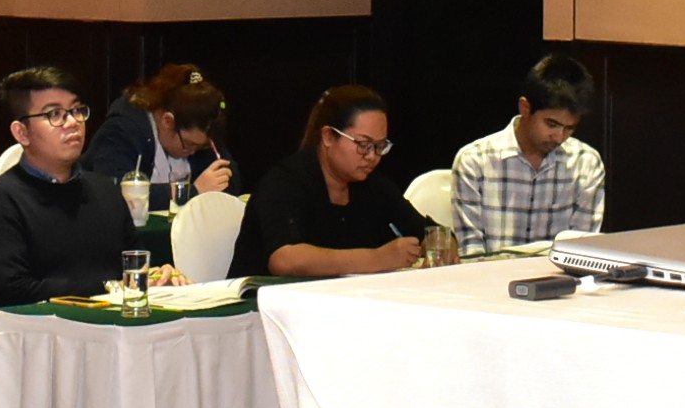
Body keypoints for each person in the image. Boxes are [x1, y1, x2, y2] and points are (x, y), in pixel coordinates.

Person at [0, 66, 166, 306]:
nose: (72, 122)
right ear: (22, 133)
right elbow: (9, 290)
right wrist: (107, 287)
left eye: (76, 110)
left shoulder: (105, 190)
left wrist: (155, 276)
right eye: (55, 114)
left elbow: (133, 264)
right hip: (44, 326)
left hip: (115, 321)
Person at [233, 85, 431, 279]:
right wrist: (377, 258)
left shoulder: (372, 184)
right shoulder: (285, 181)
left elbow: (429, 233)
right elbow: (285, 260)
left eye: (379, 146)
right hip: (264, 297)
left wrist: (437, 248)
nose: (372, 156)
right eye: (363, 144)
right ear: (328, 136)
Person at [449, 53, 607, 254]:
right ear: (525, 107)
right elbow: (471, 252)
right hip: (489, 272)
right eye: (551, 124)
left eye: (569, 128)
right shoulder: (475, 161)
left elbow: (582, 250)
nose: (559, 137)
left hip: (557, 274)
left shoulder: (586, 163)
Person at [81, 62, 236, 197]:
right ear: (168, 121)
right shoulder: (122, 130)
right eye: (189, 144)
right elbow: (114, 191)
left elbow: (230, 181)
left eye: (200, 147)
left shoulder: (199, 132)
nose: (192, 152)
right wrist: (190, 191)